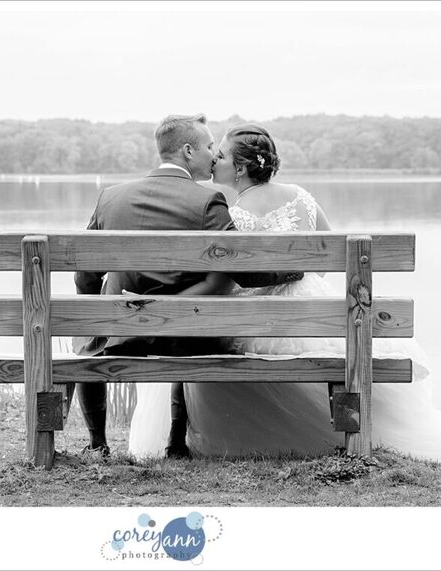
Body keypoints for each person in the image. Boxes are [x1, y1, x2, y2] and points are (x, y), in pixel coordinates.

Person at [128, 123, 441, 467]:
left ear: (239, 170)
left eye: (220, 157)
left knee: (211, 331)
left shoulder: (233, 214)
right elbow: (328, 252)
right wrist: (299, 282)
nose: (214, 160)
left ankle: (195, 440)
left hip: (258, 314)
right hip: (314, 305)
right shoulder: (302, 197)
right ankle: (347, 435)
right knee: (319, 337)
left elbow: (232, 277)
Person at [73, 115, 302, 459]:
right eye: (210, 147)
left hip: (118, 334)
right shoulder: (207, 202)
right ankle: (175, 443)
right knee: (189, 318)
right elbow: (246, 272)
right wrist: (291, 270)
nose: (213, 155)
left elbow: (84, 273)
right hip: (185, 336)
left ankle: (97, 443)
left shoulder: (111, 198)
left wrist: (97, 310)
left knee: (88, 338)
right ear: (187, 150)